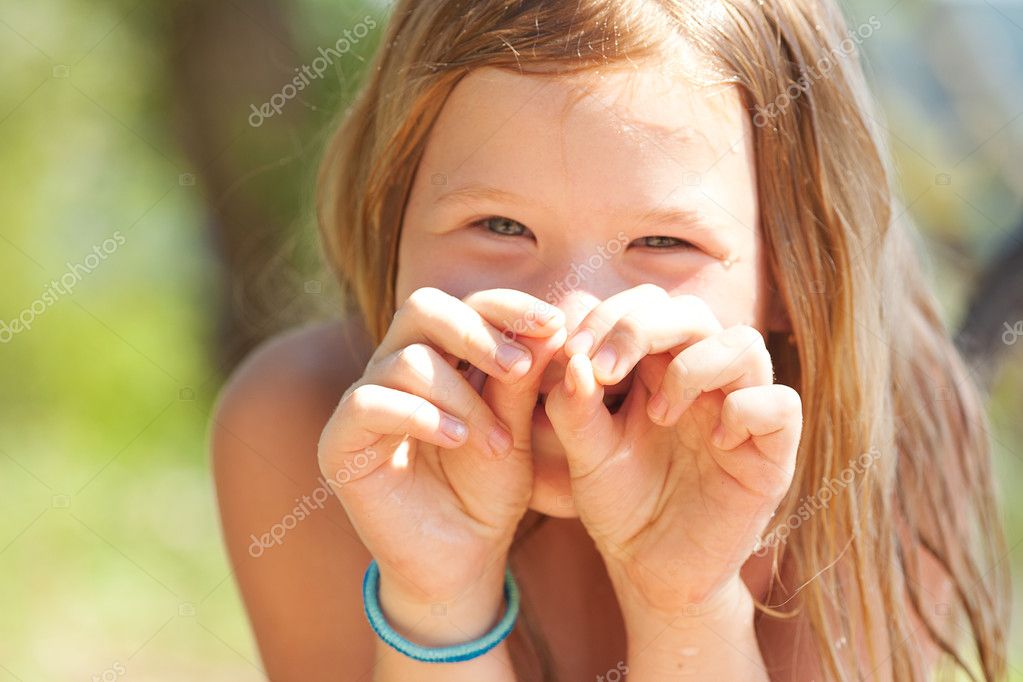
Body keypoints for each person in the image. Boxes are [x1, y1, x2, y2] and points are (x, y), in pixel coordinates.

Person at [211, 0, 1010, 679]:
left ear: (795, 275)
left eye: (662, 245)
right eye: (497, 225)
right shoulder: (309, 429)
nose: (566, 328)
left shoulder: (884, 443)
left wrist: (688, 606)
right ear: (392, 225)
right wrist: (435, 604)